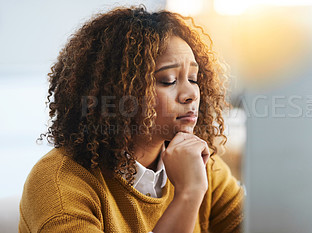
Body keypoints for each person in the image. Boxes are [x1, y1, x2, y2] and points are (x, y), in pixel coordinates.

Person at [19, 5, 244, 233]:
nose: (191, 93)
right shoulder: (59, 184)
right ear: (119, 93)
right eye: (168, 80)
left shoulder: (201, 166)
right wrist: (188, 194)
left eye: (194, 79)